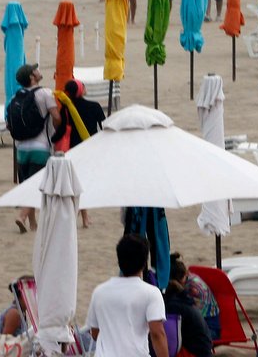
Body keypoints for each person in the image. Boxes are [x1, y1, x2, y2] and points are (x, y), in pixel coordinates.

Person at [87, 234, 169, 357]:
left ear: (119, 261)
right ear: (144, 263)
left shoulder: (99, 291)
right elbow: (157, 333)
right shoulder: (151, 293)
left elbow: (94, 332)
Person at [11, 64, 62, 234]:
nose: (38, 71)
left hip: (21, 149)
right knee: (35, 186)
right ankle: (22, 216)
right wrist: (56, 131)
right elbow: (56, 117)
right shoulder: (45, 93)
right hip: (40, 147)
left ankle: (33, 224)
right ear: (32, 77)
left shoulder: (16, 96)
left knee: (27, 185)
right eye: (35, 70)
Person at [57, 79, 96, 227]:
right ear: (80, 90)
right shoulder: (94, 107)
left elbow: (60, 129)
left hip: (71, 150)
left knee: (76, 183)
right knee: (82, 183)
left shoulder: (66, 108)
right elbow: (103, 125)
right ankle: (81, 216)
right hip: (88, 149)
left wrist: (53, 140)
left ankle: (83, 216)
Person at [168, 252, 220, 341]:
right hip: (202, 326)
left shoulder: (194, 289)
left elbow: (188, 315)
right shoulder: (188, 279)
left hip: (210, 330)